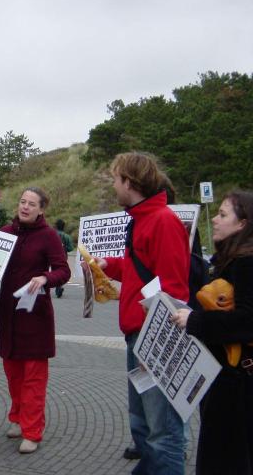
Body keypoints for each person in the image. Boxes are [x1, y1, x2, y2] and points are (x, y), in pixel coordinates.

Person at [94, 152, 190, 474]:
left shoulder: (162, 220)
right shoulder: (141, 219)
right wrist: (111, 265)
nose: (113, 184)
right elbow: (143, 271)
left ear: (130, 182)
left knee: (163, 432)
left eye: (116, 178)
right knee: (143, 424)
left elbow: (174, 289)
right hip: (138, 338)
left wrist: (155, 344)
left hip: (151, 339)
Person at [172, 190, 253, 474]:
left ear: (242, 224)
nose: (215, 220)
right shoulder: (227, 261)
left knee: (225, 459)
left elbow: (247, 320)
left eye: (222, 214)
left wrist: (196, 322)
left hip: (237, 381)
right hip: (225, 376)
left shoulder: (245, 263)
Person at [0, 187, 70, 454]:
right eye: (22, 202)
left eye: (31, 204)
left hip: (35, 317)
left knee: (33, 378)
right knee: (13, 373)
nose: (25, 207)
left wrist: (45, 279)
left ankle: (32, 431)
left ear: (41, 209)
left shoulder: (48, 236)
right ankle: (17, 417)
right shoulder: (4, 233)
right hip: (7, 315)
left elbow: (63, 270)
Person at [54, 219, 73, 298]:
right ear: (64, 227)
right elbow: (70, 248)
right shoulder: (67, 237)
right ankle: (59, 287)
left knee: (54, 271)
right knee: (61, 271)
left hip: (52, 257)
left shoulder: (52, 234)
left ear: (56, 226)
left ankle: (57, 287)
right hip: (63, 257)